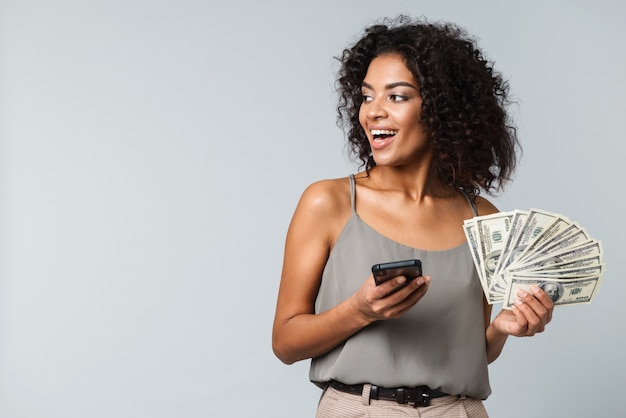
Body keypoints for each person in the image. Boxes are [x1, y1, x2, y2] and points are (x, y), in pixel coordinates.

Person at [272, 16, 554, 417]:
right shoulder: (329, 202)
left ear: (441, 109)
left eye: (397, 97)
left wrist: (502, 329)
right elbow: (284, 342)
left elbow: (472, 352)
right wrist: (360, 310)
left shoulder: (485, 219)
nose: (374, 112)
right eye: (367, 96)